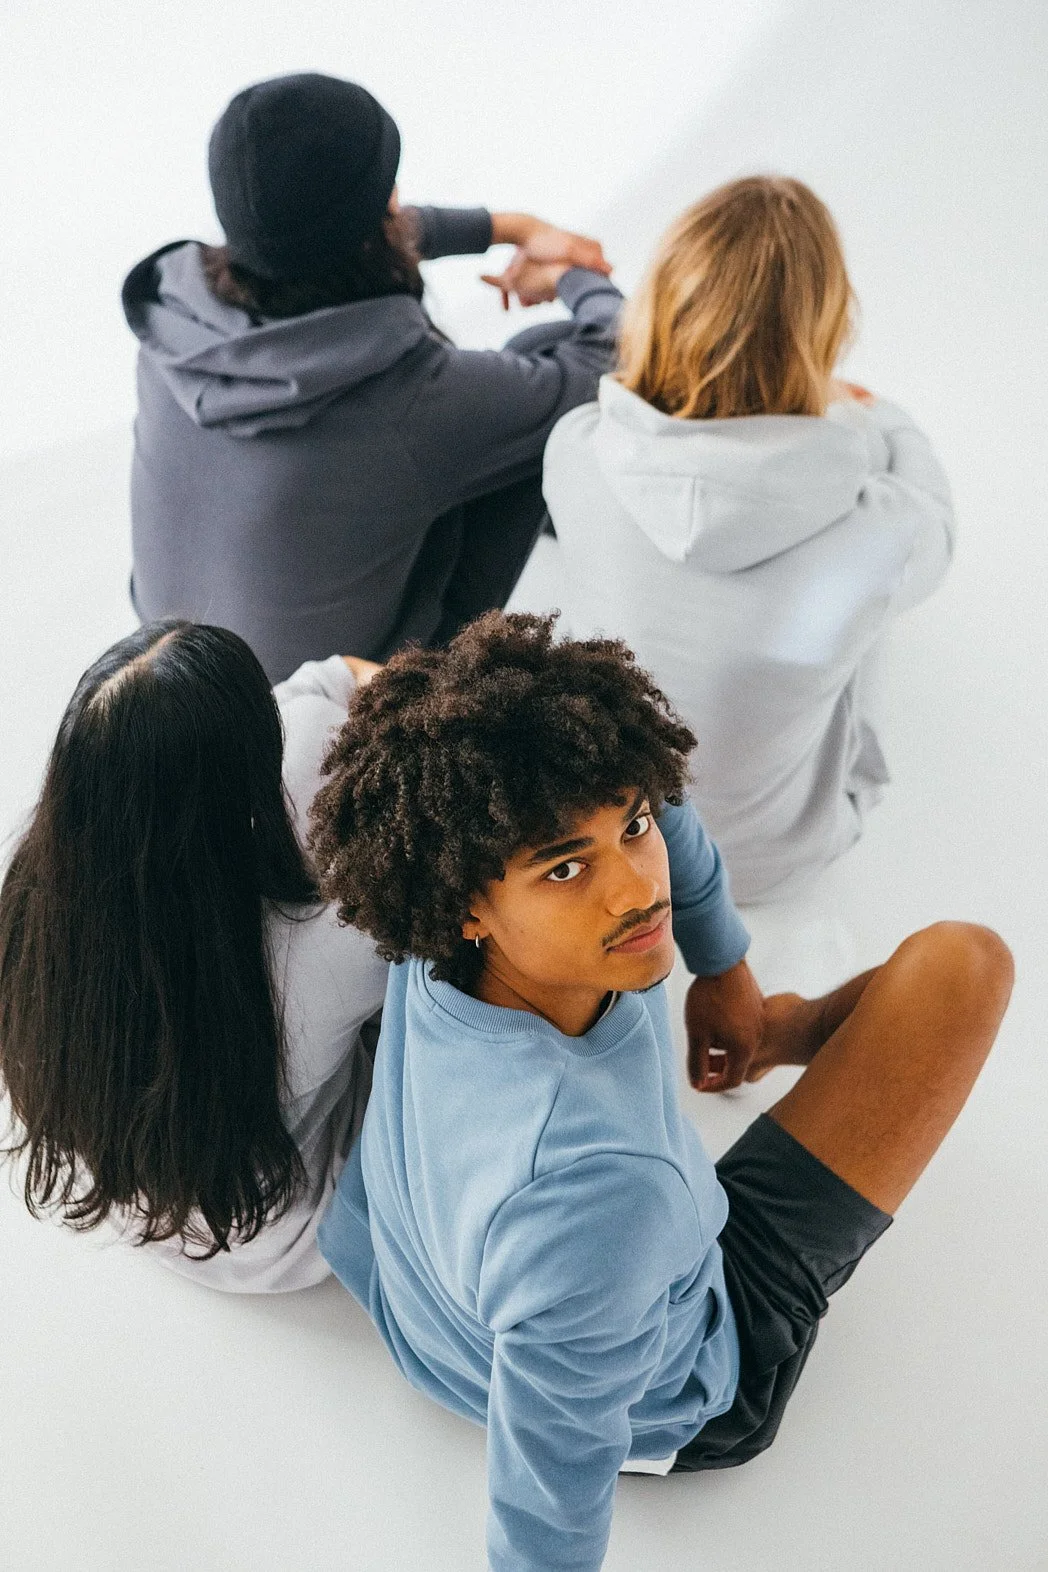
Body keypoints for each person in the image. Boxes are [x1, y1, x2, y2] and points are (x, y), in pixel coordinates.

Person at [309, 611, 1012, 1572]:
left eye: (630, 828)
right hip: (677, 1388)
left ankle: (773, 1025)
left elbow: (629, 788)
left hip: (419, 1313)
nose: (636, 889)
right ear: (467, 901)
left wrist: (726, 968)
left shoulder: (443, 895)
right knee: (964, 965)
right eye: (567, 867)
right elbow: (546, 1509)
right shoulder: (602, 1192)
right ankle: (790, 1033)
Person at [122, 71, 623, 684]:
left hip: (172, 680)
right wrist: (574, 276)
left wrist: (505, 227)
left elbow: (331, 238)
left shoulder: (171, 315)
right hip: (326, 711)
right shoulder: (412, 397)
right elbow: (610, 354)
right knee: (544, 375)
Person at [542, 176, 956, 903]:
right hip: (772, 862)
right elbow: (937, 515)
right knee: (864, 595)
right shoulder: (886, 524)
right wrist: (875, 412)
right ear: (822, 335)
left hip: (615, 845)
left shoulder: (576, 449)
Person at [0, 621, 388, 1291]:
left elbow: (322, 678)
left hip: (163, 1194)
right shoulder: (330, 937)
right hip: (289, 1233)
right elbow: (340, 675)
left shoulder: (28, 888)